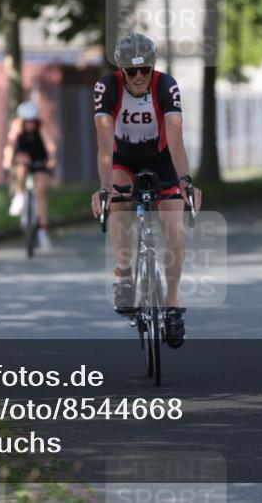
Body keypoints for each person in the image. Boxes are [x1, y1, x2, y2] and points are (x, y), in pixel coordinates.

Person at [89, 32, 202, 349]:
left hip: (162, 158)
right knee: (119, 203)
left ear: (153, 68)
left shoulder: (166, 86)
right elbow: (104, 147)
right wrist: (104, 189)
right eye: (131, 70)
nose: (139, 76)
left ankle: (173, 305)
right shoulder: (106, 88)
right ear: (121, 70)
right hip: (123, 158)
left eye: (145, 70)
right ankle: (124, 276)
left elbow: (176, 139)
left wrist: (186, 182)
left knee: (174, 228)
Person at [2, 100, 57, 250]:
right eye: (27, 121)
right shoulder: (16, 126)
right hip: (23, 158)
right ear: (22, 120)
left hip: (39, 159)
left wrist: (52, 159)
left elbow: (50, 145)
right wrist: (7, 161)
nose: (30, 124)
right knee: (21, 163)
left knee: (41, 192)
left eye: (32, 121)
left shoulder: (41, 127)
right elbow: (10, 146)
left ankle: (43, 230)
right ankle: (19, 195)